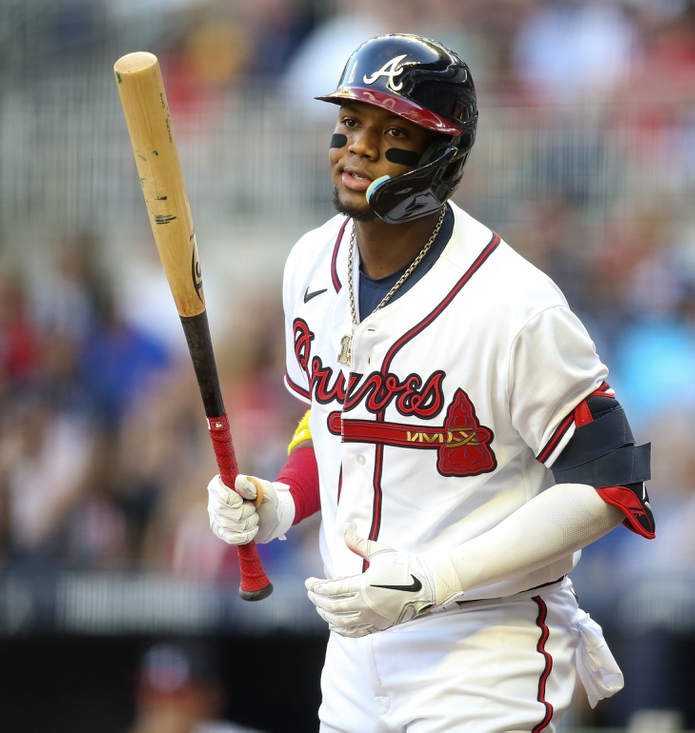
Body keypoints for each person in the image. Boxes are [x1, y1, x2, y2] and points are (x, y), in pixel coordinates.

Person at [206, 33, 655, 732]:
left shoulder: (516, 304)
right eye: (352, 123)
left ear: (442, 155)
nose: (358, 146)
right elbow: (332, 418)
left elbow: (609, 487)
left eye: (392, 133)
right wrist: (282, 499)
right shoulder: (308, 264)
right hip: (354, 651)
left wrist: (437, 576)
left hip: (483, 642)